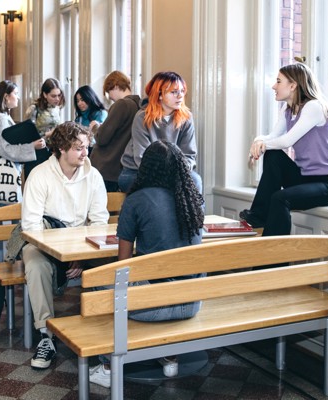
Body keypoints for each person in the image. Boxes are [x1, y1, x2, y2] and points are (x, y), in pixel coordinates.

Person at [88, 141, 205, 388]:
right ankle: (169, 355)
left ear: (145, 168)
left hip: (150, 307)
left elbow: (122, 265)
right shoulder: (191, 198)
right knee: (162, 284)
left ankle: (109, 367)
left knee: (98, 286)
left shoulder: (137, 200)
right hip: (192, 303)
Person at [21, 121, 109, 370]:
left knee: (116, 263)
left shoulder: (93, 176)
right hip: (45, 243)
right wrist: (62, 254)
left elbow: (99, 222)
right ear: (60, 148)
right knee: (34, 261)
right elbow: (31, 226)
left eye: (87, 147)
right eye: (79, 148)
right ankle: (45, 334)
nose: (85, 153)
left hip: (83, 245)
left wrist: (80, 256)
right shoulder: (39, 175)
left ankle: (105, 331)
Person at [239, 62, 328, 236]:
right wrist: (258, 141)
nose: (274, 86)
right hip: (303, 178)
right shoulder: (288, 109)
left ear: (293, 85)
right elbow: (272, 137)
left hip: (326, 183)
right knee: (272, 154)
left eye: (278, 81)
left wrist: (262, 145)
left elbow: (287, 141)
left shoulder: (314, 107)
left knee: (280, 198)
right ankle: (259, 215)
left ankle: (274, 258)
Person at [118, 71, 201, 193]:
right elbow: (142, 158)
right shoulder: (142, 117)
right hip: (136, 172)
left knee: (196, 180)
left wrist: (177, 173)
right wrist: (169, 177)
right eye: (174, 92)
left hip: (174, 172)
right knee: (159, 192)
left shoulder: (186, 118)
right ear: (160, 95)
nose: (180, 96)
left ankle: (194, 213)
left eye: (182, 91)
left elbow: (189, 155)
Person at [90, 71, 142, 192]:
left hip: (107, 166)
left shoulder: (122, 104)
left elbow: (102, 138)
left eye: (108, 92)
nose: (110, 97)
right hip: (123, 167)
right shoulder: (139, 106)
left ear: (116, 86)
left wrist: (96, 128)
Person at [0, 80, 47, 181]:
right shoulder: (0, 119)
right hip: (3, 175)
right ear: (6, 96)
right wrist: (32, 146)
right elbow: (4, 150)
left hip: (4, 173)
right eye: (15, 94)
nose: (18, 97)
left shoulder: (2, 116)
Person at [24, 78, 65, 177]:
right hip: (37, 153)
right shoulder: (34, 109)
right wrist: (47, 135)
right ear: (45, 94)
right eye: (53, 96)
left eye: (59, 95)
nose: (57, 99)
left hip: (53, 151)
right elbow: (27, 134)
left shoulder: (57, 109)